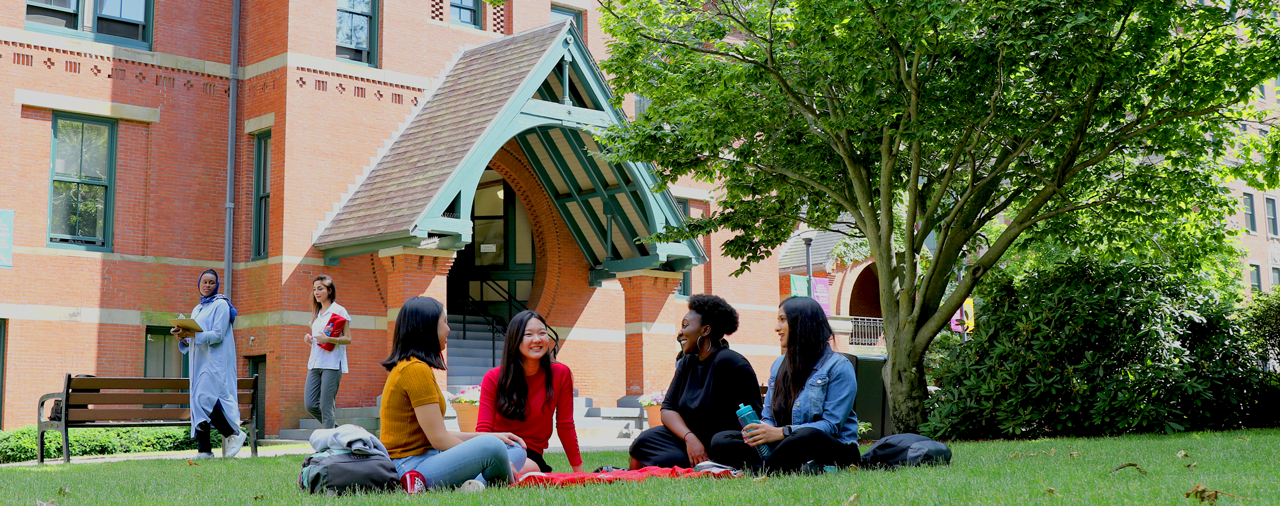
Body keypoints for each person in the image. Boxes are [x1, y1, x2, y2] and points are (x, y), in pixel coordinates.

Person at [379, 296, 528, 491]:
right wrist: (489, 448)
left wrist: (488, 437)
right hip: (411, 468)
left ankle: (475, 484)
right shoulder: (414, 369)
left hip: (430, 458)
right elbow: (439, 439)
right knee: (493, 448)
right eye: (445, 322)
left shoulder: (415, 366)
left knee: (512, 446)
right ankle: (489, 479)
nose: (449, 329)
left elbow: (438, 434)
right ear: (427, 326)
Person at [707, 296, 861, 473]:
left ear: (802, 323)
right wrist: (761, 432)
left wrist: (782, 433)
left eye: (783, 320)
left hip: (828, 446)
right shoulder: (779, 364)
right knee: (721, 440)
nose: (776, 328)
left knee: (807, 435)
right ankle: (787, 467)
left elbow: (831, 427)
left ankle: (762, 469)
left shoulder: (839, 366)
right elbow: (769, 416)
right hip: (783, 445)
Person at [628, 294, 763, 469]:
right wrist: (689, 437)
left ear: (705, 330)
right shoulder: (687, 362)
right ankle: (699, 464)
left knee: (720, 442)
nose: (680, 333)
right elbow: (668, 408)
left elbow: (754, 421)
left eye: (685, 326)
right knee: (645, 441)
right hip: (691, 440)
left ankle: (708, 464)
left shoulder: (731, 362)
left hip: (724, 442)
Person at [477, 310, 583, 473]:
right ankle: (487, 476)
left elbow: (565, 425)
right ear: (515, 340)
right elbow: (483, 430)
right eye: (528, 334)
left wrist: (578, 470)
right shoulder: (493, 377)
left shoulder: (561, 374)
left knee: (526, 469)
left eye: (542, 333)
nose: (537, 339)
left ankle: (484, 479)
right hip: (496, 448)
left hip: (529, 454)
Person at [172, 269, 248, 460]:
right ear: (199, 284)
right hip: (199, 362)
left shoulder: (221, 304)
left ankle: (234, 434)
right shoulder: (197, 308)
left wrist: (193, 335)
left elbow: (217, 335)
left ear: (217, 285)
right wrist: (182, 337)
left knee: (203, 398)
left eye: (211, 282)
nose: (207, 285)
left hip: (216, 361)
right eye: (204, 282)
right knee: (198, 403)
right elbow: (193, 337)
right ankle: (204, 450)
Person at [302, 275, 351, 429]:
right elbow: (320, 341)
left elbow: (348, 339)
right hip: (315, 363)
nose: (316, 292)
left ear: (329, 291)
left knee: (326, 407)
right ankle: (337, 431)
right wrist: (310, 341)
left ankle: (330, 446)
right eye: (314, 289)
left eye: (320, 289)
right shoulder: (316, 313)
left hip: (332, 364)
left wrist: (329, 340)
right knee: (310, 404)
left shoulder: (339, 310)